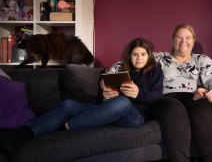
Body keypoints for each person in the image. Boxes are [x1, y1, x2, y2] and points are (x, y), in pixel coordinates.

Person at [0, 37, 163, 152]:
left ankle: (65, 127)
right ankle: (22, 134)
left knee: (122, 102)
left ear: (149, 55)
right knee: (68, 105)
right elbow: (105, 87)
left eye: (143, 54)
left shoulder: (155, 71)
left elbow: (157, 97)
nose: (139, 58)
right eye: (135, 54)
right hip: (107, 110)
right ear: (130, 56)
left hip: (134, 117)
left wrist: (138, 93)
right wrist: (105, 92)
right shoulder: (121, 68)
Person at [108, 24, 212, 162]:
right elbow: (128, 61)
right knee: (174, 108)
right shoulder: (160, 58)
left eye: (187, 37)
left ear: (193, 40)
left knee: (204, 108)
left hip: (193, 96)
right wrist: (110, 73)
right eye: (179, 37)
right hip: (166, 98)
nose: (183, 41)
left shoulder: (202, 59)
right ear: (172, 40)